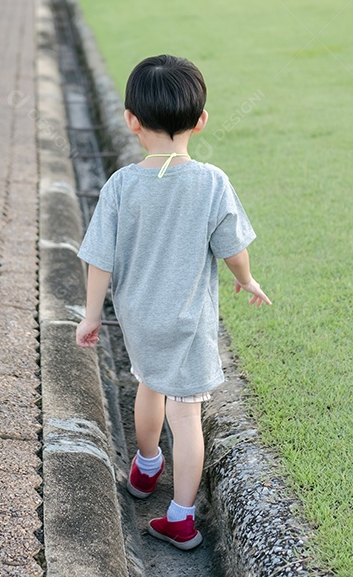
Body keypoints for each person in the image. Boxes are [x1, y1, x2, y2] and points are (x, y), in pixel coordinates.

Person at [75, 55, 272, 551]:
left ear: (131, 120)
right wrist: (246, 280)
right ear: (201, 120)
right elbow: (233, 248)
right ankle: (181, 517)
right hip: (189, 323)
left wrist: (92, 314)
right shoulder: (211, 182)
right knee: (186, 418)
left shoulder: (121, 185)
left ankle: (144, 469)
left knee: (147, 385)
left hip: (140, 319)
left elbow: (100, 259)